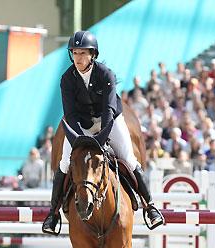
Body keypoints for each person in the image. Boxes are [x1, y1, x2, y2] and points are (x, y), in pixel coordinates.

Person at [42, 30, 164, 235]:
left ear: (93, 55)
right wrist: (80, 140)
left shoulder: (105, 74)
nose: (78, 58)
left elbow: (108, 112)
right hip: (81, 124)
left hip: (110, 121)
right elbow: (70, 115)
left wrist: (98, 140)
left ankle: (150, 206)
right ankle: (53, 214)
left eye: (82, 53)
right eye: (75, 53)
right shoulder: (67, 79)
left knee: (129, 159)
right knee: (64, 162)